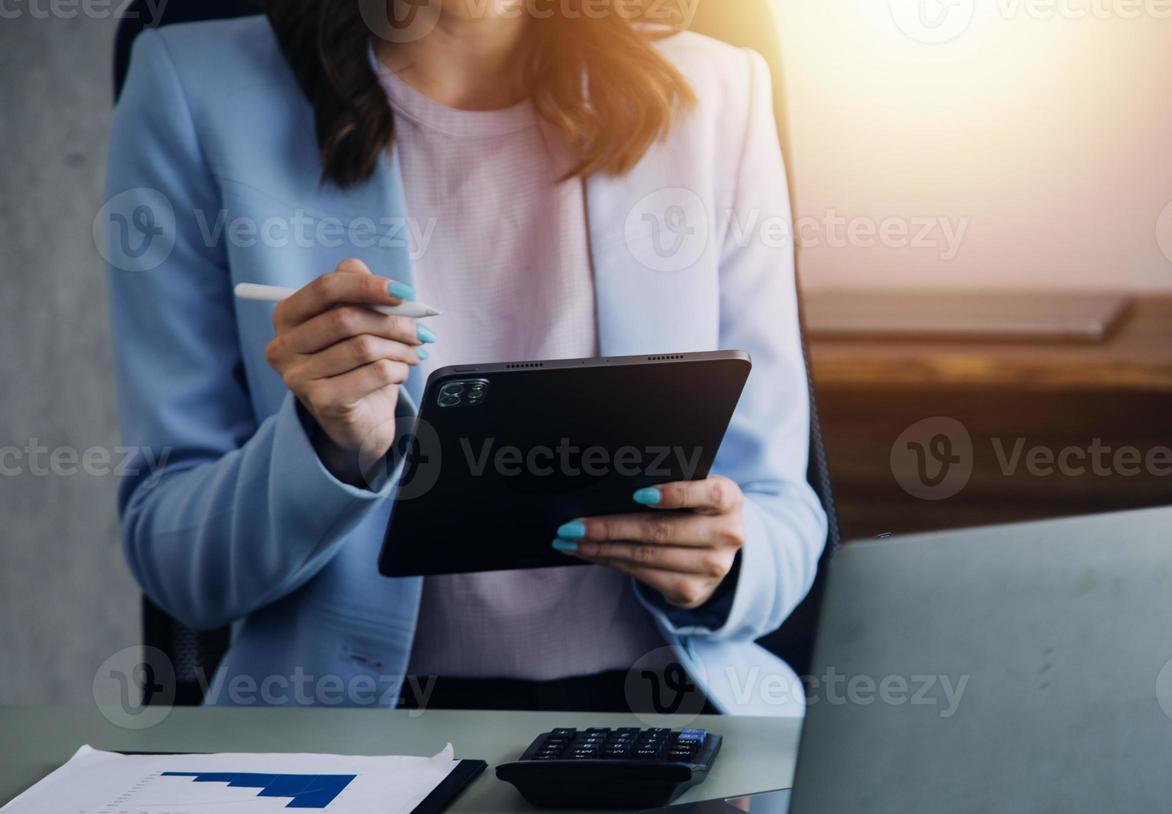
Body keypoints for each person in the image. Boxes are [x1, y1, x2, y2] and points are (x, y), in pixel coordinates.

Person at [105, 1, 825, 713]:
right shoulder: (193, 89)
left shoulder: (719, 94)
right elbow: (177, 563)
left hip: (670, 710)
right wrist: (326, 449)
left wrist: (725, 564)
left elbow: (783, 517)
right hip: (346, 732)